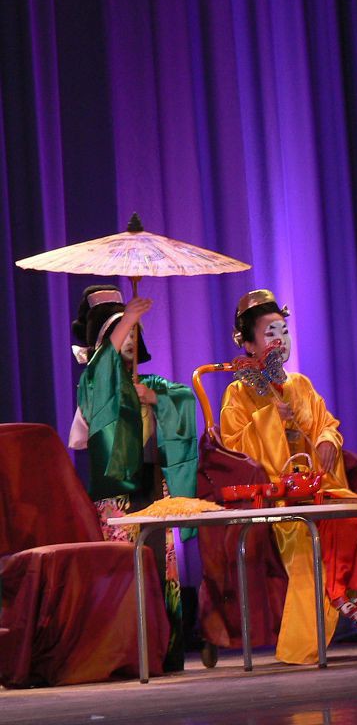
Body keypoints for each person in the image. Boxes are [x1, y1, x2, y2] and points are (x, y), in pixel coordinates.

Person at [220, 289, 357, 665]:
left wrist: (326, 438)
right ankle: (343, 596)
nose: (280, 340)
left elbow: (325, 423)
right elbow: (235, 446)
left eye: (283, 331)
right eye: (270, 333)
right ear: (249, 345)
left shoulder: (300, 384)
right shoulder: (238, 392)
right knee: (318, 526)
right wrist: (270, 420)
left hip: (315, 484)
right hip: (276, 492)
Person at [68, 285, 197, 671]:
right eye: (120, 332)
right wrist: (127, 318)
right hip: (117, 496)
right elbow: (102, 370)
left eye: (134, 332)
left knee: (162, 571)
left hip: (153, 488)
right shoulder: (95, 382)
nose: (129, 338)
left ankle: (165, 650)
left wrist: (157, 399)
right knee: (126, 572)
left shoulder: (151, 383)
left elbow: (184, 399)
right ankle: (128, 653)